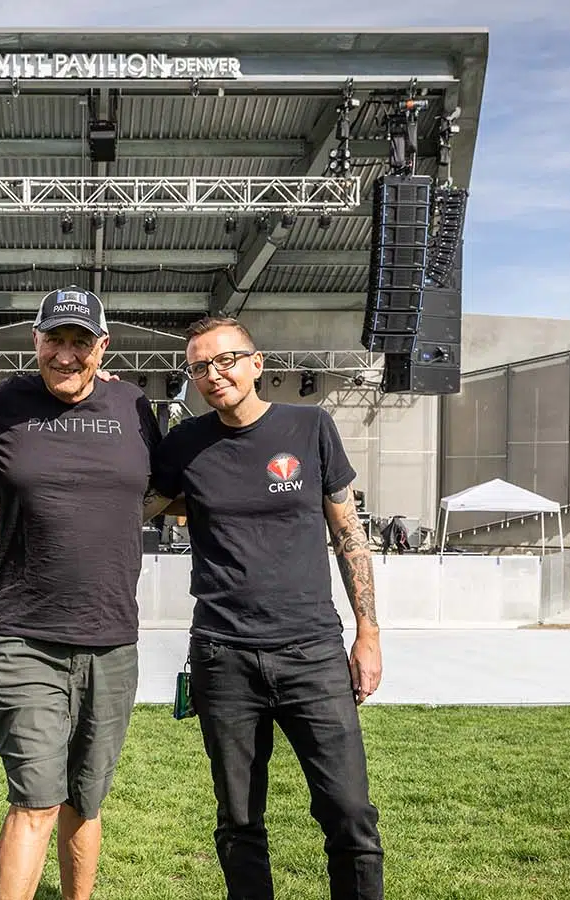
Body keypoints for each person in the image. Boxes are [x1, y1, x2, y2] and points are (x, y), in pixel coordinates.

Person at [148, 315, 385, 900]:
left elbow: (348, 532)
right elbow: (133, 506)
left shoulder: (311, 427)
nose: (213, 373)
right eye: (200, 366)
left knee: (350, 814)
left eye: (226, 359)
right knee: (239, 822)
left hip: (313, 654)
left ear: (256, 364)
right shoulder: (185, 445)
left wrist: (369, 633)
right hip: (223, 658)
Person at [0, 286, 169, 900]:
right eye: (55, 339)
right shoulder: (4, 402)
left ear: (103, 347)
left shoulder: (133, 405)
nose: (67, 354)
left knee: (87, 797)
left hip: (111, 639)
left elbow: (165, 490)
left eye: (81, 341)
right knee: (36, 799)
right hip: (23, 634)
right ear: (36, 342)